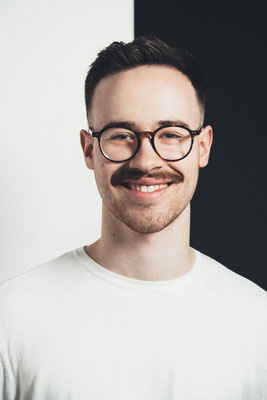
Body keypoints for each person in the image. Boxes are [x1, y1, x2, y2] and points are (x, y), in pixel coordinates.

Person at [0, 36, 266, 400]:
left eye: (171, 134)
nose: (145, 161)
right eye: (122, 135)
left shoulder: (257, 322)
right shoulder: (11, 318)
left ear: (202, 147)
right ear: (89, 149)